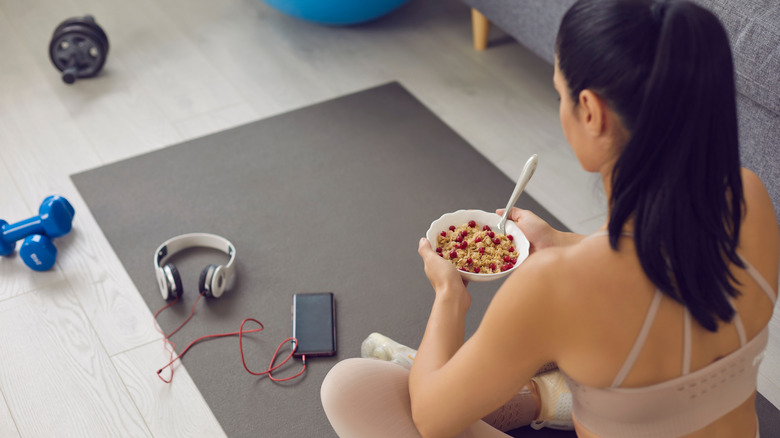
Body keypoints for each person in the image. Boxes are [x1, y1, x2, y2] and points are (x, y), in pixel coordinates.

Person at [320, 0, 780, 436]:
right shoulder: (750, 197)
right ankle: (544, 396)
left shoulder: (555, 287)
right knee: (570, 342)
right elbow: (656, 274)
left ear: (591, 112)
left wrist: (448, 295)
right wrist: (562, 242)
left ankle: (507, 386)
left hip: (542, 333)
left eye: (559, 92)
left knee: (350, 389)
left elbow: (429, 420)